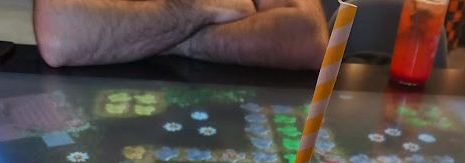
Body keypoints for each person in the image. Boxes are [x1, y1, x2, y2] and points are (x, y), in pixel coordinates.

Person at [33, 0, 329, 69]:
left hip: (235, 117)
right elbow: (61, 37)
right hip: (109, 120)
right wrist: (202, 9)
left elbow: (307, 38)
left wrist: (147, 36)